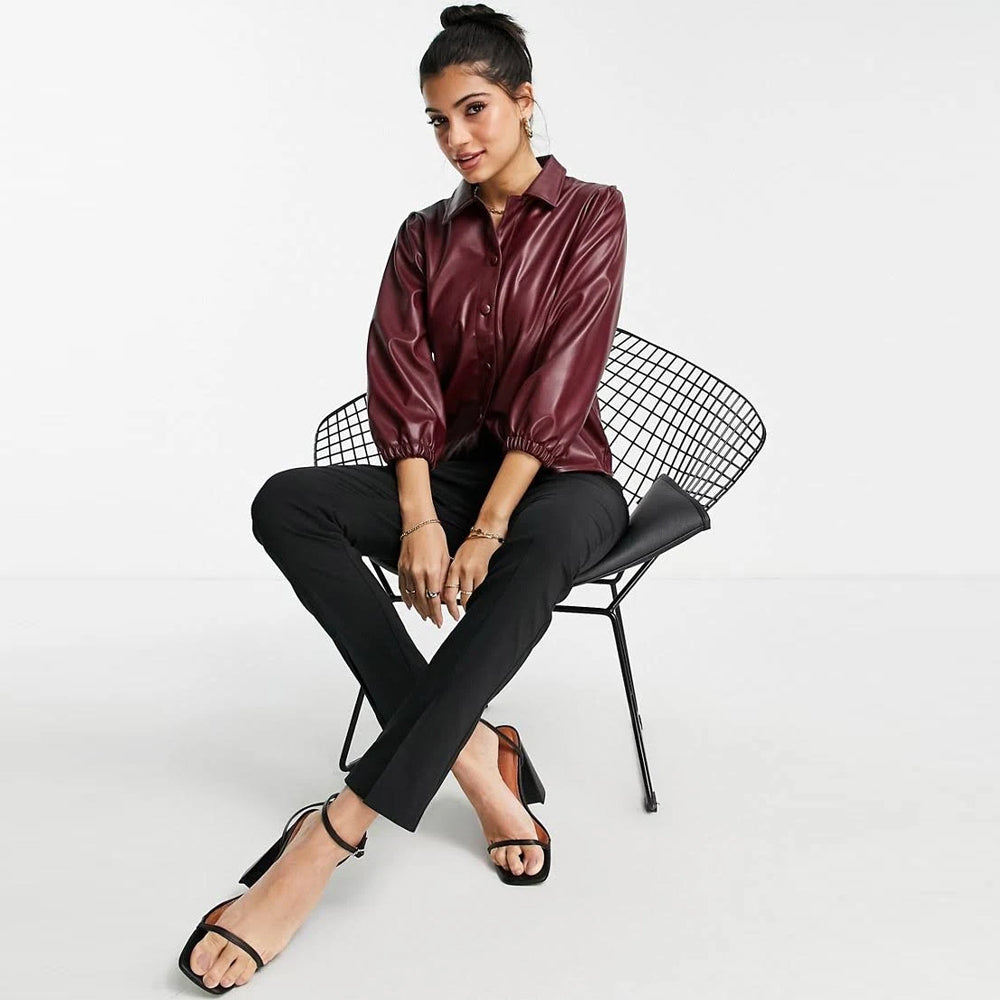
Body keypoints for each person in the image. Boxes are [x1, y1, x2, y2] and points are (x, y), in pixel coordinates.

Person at [177, 4, 630, 992]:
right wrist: (424, 517)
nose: (457, 138)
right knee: (286, 502)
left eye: (474, 110)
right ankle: (471, 752)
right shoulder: (424, 236)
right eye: (436, 120)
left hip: (563, 477)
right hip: (454, 471)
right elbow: (403, 377)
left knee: (533, 560)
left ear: (522, 101)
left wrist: (491, 525)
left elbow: (562, 377)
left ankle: (326, 840)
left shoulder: (594, 212)